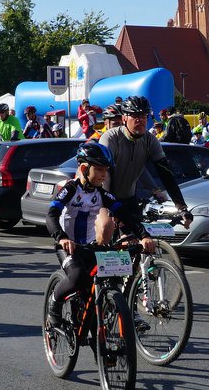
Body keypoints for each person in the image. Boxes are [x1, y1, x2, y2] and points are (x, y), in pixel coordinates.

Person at [45, 140, 151, 331]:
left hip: (91, 246)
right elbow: (51, 215)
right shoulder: (70, 189)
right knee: (78, 278)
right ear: (84, 169)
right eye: (100, 170)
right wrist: (61, 238)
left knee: (112, 278)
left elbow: (125, 215)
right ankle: (54, 303)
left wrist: (144, 235)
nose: (104, 174)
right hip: (68, 246)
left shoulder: (102, 194)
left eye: (106, 170)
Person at [100, 97, 191, 228]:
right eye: (135, 115)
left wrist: (182, 207)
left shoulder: (150, 140)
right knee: (106, 228)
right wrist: (112, 207)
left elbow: (165, 173)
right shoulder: (111, 137)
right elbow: (106, 174)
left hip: (129, 198)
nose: (140, 120)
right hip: (104, 197)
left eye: (143, 116)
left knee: (141, 238)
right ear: (124, 118)